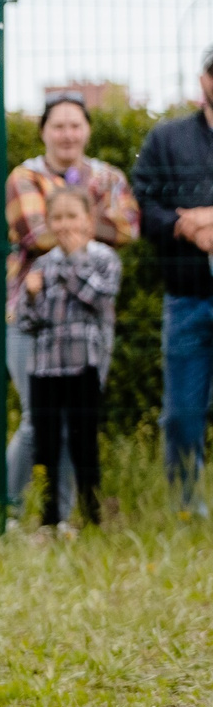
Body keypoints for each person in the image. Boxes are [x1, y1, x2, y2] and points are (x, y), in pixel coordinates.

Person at [2, 96, 137, 518]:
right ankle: (7, 509)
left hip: (90, 326)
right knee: (36, 422)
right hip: (34, 319)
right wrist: (89, 220)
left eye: (75, 125)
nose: (67, 134)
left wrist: (68, 223)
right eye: (58, 126)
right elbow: (35, 235)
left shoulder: (110, 175)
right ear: (43, 131)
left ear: (88, 130)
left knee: (77, 422)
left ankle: (62, 517)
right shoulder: (24, 176)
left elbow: (129, 227)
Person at [132, 48, 213, 512]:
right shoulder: (166, 138)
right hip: (187, 298)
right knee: (182, 414)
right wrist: (184, 226)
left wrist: (208, 217)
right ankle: (187, 509)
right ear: (203, 78)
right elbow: (141, 206)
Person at [15, 185, 120, 529]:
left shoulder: (103, 259)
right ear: (48, 222)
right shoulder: (41, 265)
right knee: (45, 444)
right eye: (57, 217)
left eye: (72, 216)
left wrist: (75, 260)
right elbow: (27, 321)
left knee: (83, 441)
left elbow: (99, 298)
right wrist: (31, 297)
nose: (64, 225)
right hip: (44, 367)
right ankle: (49, 518)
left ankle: (92, 516)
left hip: (84, 365)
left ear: (89, 220)